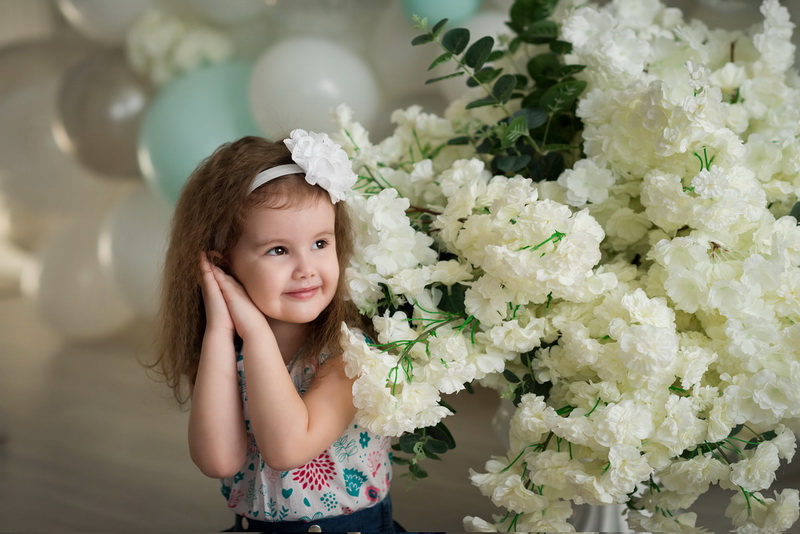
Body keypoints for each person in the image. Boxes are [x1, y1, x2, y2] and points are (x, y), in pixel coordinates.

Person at [152, 130, 400, 532]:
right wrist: (219, 330)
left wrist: (256, 331)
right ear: (222, 265)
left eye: (320, 243)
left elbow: (287, 448)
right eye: (278, 250)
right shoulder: (229, 355)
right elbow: (218, 460)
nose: (306, 268)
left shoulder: (350, 356)